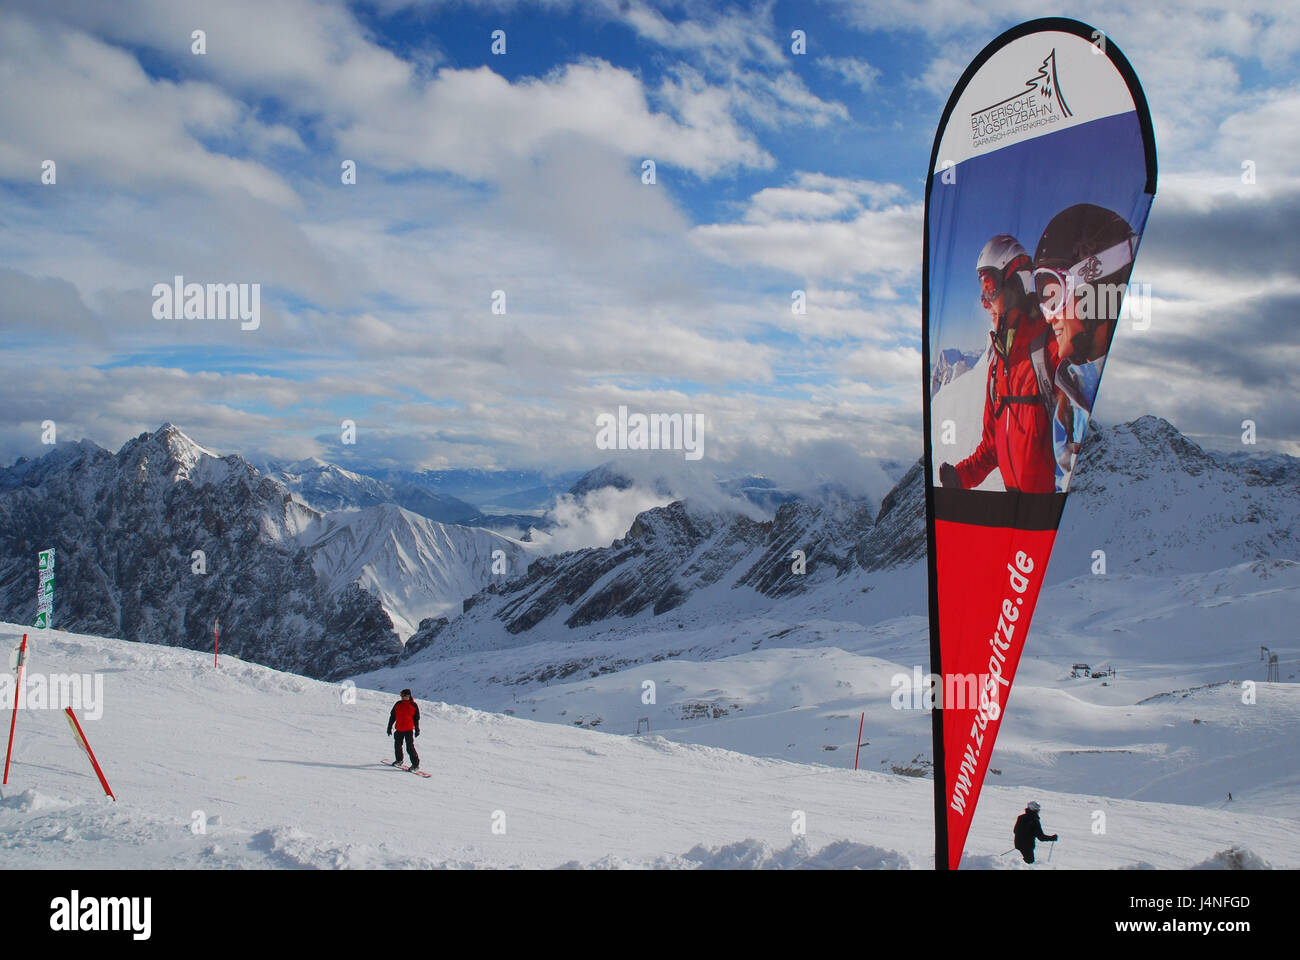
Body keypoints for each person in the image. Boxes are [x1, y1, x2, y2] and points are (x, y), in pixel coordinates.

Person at [939, 234, 1059, 494]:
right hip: (1015, 513)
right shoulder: (998, 367)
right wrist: (959, 478)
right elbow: (992, 447)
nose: (984, 302)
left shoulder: (1050, 350)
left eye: (989, 285)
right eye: (981, 288)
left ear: (1015, 285)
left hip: (1049, 517)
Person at [1032, 204, 1138, 489]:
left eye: (1053, 293)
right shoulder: (1068, 400)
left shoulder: (1133, 394)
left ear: (1094, 284)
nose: (1048, 315)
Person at [387, 689, 421, 771]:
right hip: (399, 729)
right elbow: (392, 716)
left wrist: (417, 729)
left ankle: (415, 765)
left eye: (403, 696)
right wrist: (389, 727)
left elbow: (416, 719)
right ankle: (399, 760)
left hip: (408, 730)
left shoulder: (413, 705)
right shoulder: (398, 704)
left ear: (408, 696)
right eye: (401, 696)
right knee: (397, 746)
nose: (401, 697)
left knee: (410, 748)